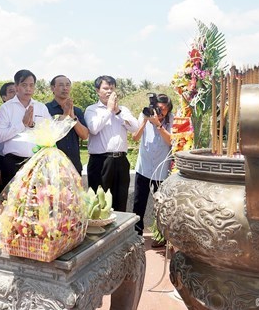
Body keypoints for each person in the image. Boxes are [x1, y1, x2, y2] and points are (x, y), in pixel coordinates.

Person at [84, 75, 139, 212]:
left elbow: (135, 127)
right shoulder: (92, 110)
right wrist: (109, 110)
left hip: (121, 161)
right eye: (105, 88)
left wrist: (117, 112)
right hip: (101, 162)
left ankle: (120, 232)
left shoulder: (123, 110)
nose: (109, 91)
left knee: (121, 200)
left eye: (112, 88)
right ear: (97, 90)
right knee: (100, 203)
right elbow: (94, 129)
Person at [0, 69, 52, 187]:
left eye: (31, 85)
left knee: (36, 200)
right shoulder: (6, 108)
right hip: (12, 163)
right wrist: (22, 125)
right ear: (16, 87)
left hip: (36, 162)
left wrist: (34, 126)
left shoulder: (41, 108)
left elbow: (49, 132)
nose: (28, 89)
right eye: (24, 85)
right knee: (14, 201)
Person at [132, 94, 173, 242]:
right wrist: (145, 120)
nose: (159, 112)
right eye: (157, 108)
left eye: (162, 109)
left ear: (168, 110)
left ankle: (160, 236)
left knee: (161, 206)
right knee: (138, 204)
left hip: (161, 171)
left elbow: (171, 141)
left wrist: (158, 124)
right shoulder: (144, 116)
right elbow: (135, 137)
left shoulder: (172, 119)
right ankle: (137, 235)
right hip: (143, 168)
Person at [46, 75, 89, 173]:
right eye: (61, 85)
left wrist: (72, 117)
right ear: (53, 88)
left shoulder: (77, 111)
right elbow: (50, 135)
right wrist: (65, 115)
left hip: (74, 163)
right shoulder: (46, 109)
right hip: (53, 164)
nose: (65, 88)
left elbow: (84, 135)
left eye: (67, 85)